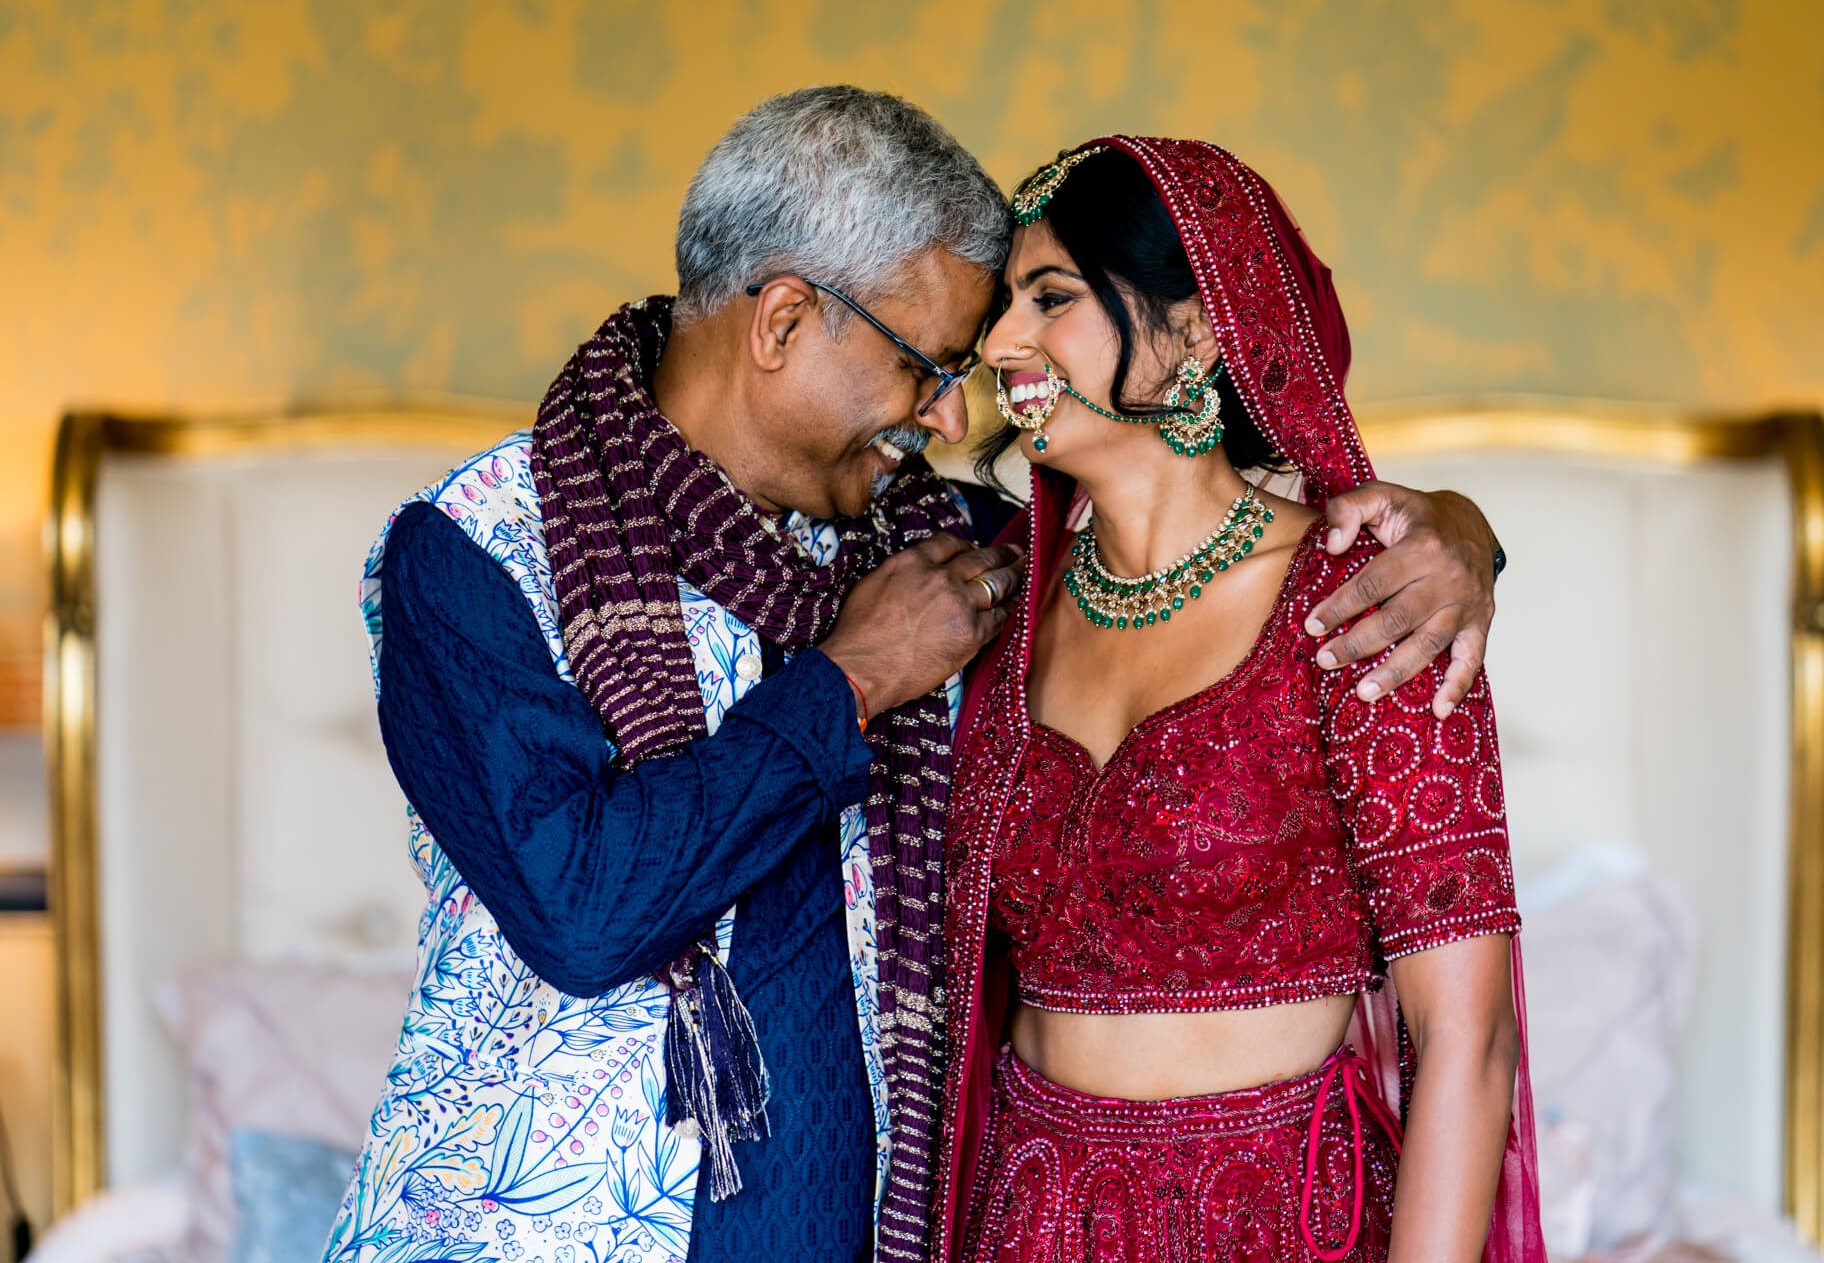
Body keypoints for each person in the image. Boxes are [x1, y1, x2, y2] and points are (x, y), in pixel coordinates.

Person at [324, 91, 1507, 1263]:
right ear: (783, 322)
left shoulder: (936, 551)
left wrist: (1457, 535)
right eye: (928, 361)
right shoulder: (481, 552)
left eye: (994, 336)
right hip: (531, 1232)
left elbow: (1182, 541)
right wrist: (850, 677)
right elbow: (585, 911)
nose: (956, 408)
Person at [934, 139, 1544, 1263]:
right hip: (1023, 1214)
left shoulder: (1367, 604)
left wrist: (1461, 531)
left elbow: (1468, 1035)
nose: (1000, 344)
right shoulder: (991, 601)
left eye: (1051, 298)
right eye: (1001, 306)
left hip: (1275, 1216)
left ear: (1201, 330)